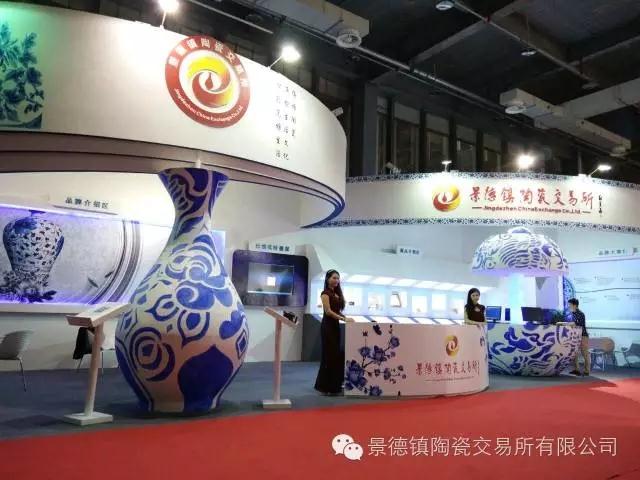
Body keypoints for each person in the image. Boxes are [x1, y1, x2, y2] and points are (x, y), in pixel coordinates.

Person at [314, 269, 347, 396]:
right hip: (327, 327)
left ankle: (335, 385)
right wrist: (343, 319)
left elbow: (337, 312)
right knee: (329, 355)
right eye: (334, 278)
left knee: (336, 355)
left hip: (335, 326)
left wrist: (345, 318)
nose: (336, 280)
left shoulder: (337, 294)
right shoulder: (325, 294)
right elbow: (328, 312)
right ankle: (325, 386)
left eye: (338, 278)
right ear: (328, 279)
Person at [568, 298, 590, 376]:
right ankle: (576, 369)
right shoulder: (572, 314)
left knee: (585, 353)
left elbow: (576, 324)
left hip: (583, 335)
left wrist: (564, 323)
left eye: (570, 305)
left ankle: (587, 371)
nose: (569, 306)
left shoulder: (580, 314)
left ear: (575, 305)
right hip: (575, 335)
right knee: (575, 353)